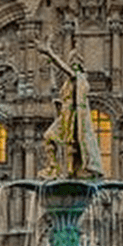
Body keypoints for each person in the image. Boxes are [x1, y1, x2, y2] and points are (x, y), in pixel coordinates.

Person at [38, 43, 105, 180]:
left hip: (73, 115)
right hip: (64, 114)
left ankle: (69, 171)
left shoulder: (78, 77)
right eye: (71, 62)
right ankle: (53, 167)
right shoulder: (68, 82)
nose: (71, 65)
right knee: (48, 137)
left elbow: (67, 71)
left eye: (74, 62)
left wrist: (50, 53)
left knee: (70, 142)